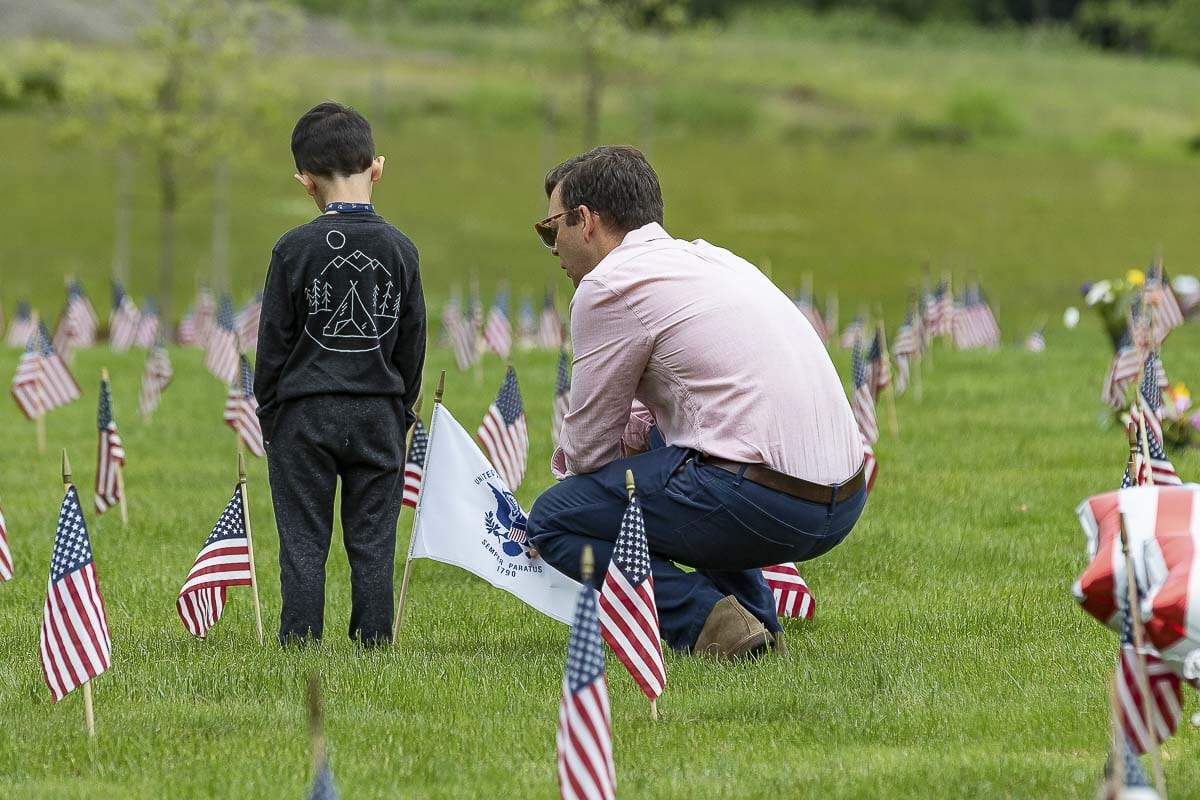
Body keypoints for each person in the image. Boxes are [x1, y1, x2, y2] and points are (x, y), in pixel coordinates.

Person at [526, 145, 865, 662]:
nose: (553, 249)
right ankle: (754, 620)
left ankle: (706, 620)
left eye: (551, 230)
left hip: (765, 500)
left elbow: (588, 453)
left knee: (555, 520)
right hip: (844, 499)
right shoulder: (713, 257)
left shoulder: (606, 286)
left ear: (586, 221)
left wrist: (585, 496)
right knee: (672, 445)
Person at [254, 102, 425, 645]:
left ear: (305, 182)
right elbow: (411, 343)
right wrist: (401, 408)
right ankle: (373, 640)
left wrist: (270, 413)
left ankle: (300, 638)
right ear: (377, 167)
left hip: (303, 412)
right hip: (379, 409)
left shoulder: (291, 249)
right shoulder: (402, 250)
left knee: (303, 539)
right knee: (374, 539)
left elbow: (272, 345)